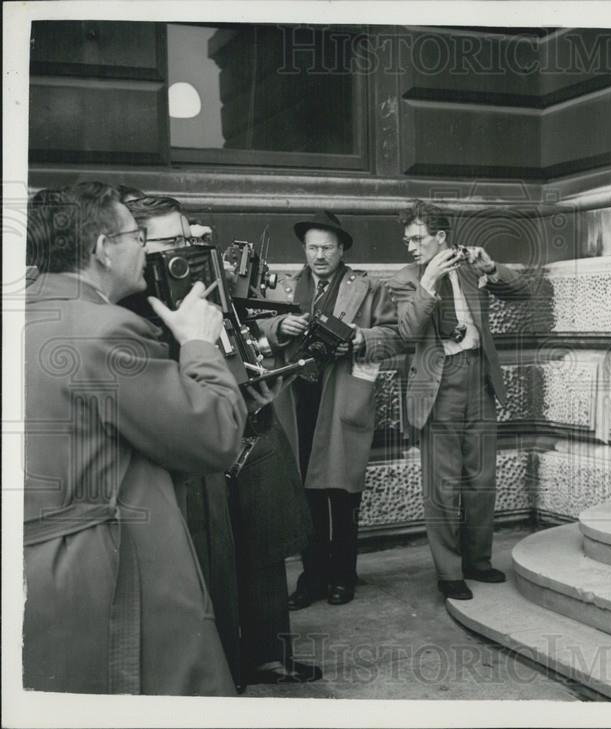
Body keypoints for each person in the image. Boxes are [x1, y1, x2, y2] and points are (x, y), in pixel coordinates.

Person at [23, 182, 244, 694]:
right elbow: (216, 435)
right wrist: (199, 345)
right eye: (136, 236)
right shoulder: (107, 332)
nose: (144, 249)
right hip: (116, 575)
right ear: (103, 248)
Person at [127, 196, 320, 686]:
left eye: (190, 239)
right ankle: (227, 666)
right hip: (202, 445)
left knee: (265, 546)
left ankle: (269, 656)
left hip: (251, 424)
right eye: (175, 242)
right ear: (136, 243)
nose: (187, 250)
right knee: (214, 561)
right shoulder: (134, 309)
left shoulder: (203, 279)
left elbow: (244, 326)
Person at [388, 200, 531, 601]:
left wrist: (490, 268)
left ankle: (478, 562)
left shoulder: (470, 269)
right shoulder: (404, 279)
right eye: (407, 240)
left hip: (478, 379)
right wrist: (428, 284)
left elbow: (523, 292)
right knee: (443, 484)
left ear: (441, 237)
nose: (411, 247)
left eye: (418, 239)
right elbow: (406, 333)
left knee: (481, 479)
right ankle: (449, 572)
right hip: (439, 384)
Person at [264, 211, 403, 610]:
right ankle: (312, 579)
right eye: (312, 247)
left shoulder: (367, 287)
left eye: (327, 247)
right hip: (296, 399)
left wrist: (360, 339)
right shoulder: (285, 286)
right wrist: (279, 328)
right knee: (304, 491)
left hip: (341, 394)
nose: (319, 255)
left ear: (342, 249)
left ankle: (343, 576)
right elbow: (258, 325)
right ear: (304, 250)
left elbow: (394, 337)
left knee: (341, 493)